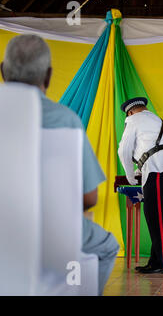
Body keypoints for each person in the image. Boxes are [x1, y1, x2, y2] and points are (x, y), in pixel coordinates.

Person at [1, 34, 119, 295]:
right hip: (50, 230)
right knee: (107, 247)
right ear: (48, 76)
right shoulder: (66, 120)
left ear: (2, 71)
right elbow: (89, 198)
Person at [118, 97, 163, 274]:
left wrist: (130, 177)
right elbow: (160, 148)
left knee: (154, 216)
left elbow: (124, 150)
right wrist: (141, 170)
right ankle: (156, 261)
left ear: (131, 112)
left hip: (159, 169)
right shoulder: (157, 120)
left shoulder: (134, 119)